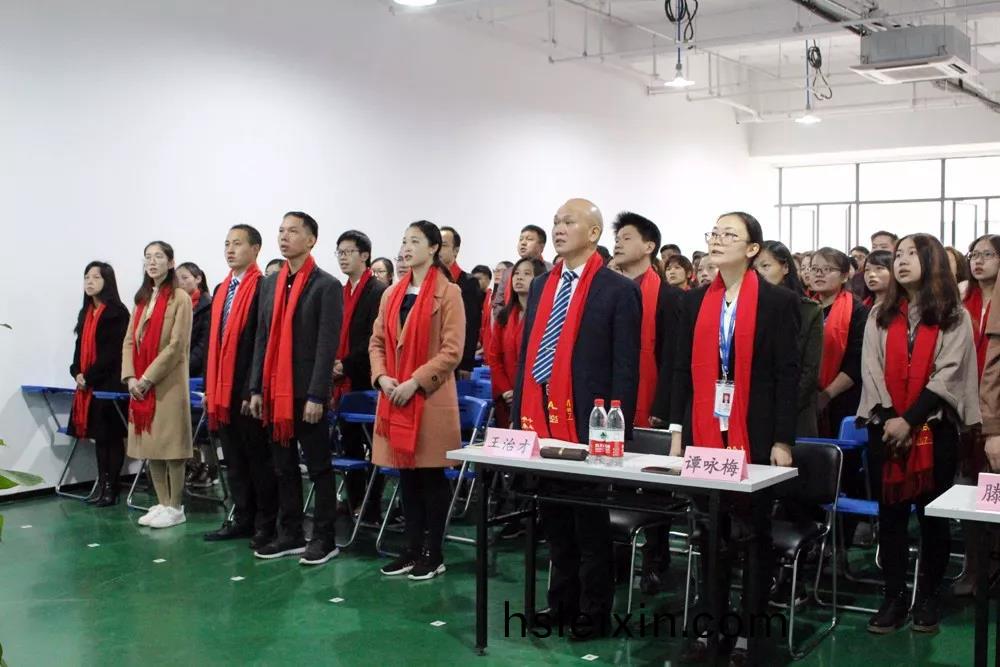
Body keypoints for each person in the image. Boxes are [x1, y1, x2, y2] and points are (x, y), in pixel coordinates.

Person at [670, 213, 799, 664]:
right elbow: (680, 371)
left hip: (756, 431)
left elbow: (787, 375)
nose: (718, 240)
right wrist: (676, 431)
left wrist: (783, 439)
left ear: (751, 249)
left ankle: (749, 635)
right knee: (710, 533)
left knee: (754, 536)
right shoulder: (693, 303)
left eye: (730, 234)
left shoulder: (779, 302)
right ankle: (712, 629)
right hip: (705, 429)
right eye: (715, 233)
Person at [512, 198, 641, 639]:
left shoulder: (617, 289)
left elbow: (626, 367)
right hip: (542, 420)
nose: (559, 228)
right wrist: (518, 417)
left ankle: (593, 610)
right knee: (555, 523)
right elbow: (529, 354)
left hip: (591, 424)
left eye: (569, 222)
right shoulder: (543, 284)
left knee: (589, 527)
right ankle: (560, 604)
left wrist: (616, 430)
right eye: (555, 222)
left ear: (593, 233)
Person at [858, 233, 980, 634]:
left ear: (934, 262)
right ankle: (893, 596)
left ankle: (927, 597)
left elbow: (949, 373)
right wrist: (891, 419)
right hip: (885, 430)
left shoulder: (954, 315)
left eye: (913, 254)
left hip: (934, 429)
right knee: (891, 516)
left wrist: (909, 420)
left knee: (932, 519)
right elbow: (871, 370)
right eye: (899, 255)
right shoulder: (879, 313)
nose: (902, 261)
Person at [370, 220, 465, 580]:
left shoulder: (449, 292)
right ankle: (410, 549)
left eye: (415, 241)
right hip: (395, 395)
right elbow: (377, 342)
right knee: (406, 477)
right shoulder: (391, 294)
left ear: (433, 248)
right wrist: (382, 377)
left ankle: (433, 552)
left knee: (430, 478)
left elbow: (452, 350)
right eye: (404, 241)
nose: (407, 248)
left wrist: (415, 381)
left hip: (429, 397)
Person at [249, 212, 343, 566]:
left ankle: (324, 538)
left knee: (319, 467)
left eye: (292, 231)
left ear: (311, 240)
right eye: (281, 231)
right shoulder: (271, 283)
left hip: (307, 393)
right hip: (276, 390)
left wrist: (318, 394)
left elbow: (326, 345)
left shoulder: (326, 285)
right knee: (283, 467)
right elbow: (262, 338)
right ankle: (290, 534)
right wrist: (256, 388)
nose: (284, 237)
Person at [611, 211, 682, 595]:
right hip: (614, 403)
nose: (618, 243)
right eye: (617, 237)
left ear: (649, 246)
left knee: (656, 488)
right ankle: (619, 559)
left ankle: (657, 561)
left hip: (652, 405)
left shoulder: (669, 297)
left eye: (627, 237)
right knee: (617, 485)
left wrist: (663, 408)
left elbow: (672, 360)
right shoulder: (611, 290)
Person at [202, 225, 279, 548]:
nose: (230, 250)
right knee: (233, 459)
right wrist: (210, 387)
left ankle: (266, 523)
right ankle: (243, 517)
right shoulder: (222, 289)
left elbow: (262, 342)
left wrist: (253, 388)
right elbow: (214, 342)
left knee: (257, 460)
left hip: (248, 388)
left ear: (255, 249)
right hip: (222, 389)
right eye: (227, 244)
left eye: (237, 244)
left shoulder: (263, 286)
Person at [123, 241, 193, 529]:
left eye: (158, 257)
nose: (152, 262)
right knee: (151, 446)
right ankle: (163, 503)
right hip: (141, 384)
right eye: (148, 258)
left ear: (171, 262)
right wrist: (130, 377)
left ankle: (176, 506)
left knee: (172, 447)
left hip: (168, 384)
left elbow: (177, 346)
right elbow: (129, 341)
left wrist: (147, 378)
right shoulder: (142, 299)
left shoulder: (180, 298)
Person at [953, 235, 1000, 595]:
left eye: (988, 255)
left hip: (995, 412)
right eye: (974, 255)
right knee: (971, 493)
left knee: (992, 494)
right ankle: (974, 567)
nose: (978, 261)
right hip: (965, 413)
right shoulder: (962, 299)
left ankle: (989, 568)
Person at [333, 230, 387, 522]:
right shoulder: (341, 292)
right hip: (343, 380)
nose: (342, 257)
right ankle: (354, 499)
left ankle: (372, 504)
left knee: (375, 447)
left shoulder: (377, 291)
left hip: (365, 377)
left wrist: (345, 365)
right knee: (349, 444)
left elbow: (373, 338)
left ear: (364, 255)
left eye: (348, 252)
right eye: (339, 252)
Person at [68, 262, 129, 507]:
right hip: (90, 386)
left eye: (96, 277)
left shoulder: (117, 312)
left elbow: (112, 353)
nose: (90, 282)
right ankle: (102, 485)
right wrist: (76, 372)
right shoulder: (86, 313)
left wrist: (89, 376)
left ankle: (112, 488)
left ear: (107, 281)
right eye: (87, 277)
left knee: (111, 437)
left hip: (110, 385)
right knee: (100, 439)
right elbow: (78, 348)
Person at [756, 241, 823, 437]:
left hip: (795, 412)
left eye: (765, 266)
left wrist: (782, 407)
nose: (759, 273)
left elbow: (809, 371)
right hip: (754, 409)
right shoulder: (745, 308)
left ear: (785, 267)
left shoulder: (809, 310)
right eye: (754, 268)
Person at [810, 247, 868, 437]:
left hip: (842, 398)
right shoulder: (803, 307)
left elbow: (856, 361)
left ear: (844, 276)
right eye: (814, 269)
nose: (819, 274)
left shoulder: (857, 311)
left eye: (827, 269)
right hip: (805, 399)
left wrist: (826, 395)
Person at [487, 257, 547, 428]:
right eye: (516, 273)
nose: (519, 278)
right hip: (506, 396)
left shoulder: (545, 316)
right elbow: (494, 357)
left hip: (534, 394)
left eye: (527, 274)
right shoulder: (504, 316)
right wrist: (506, 390)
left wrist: (521, 392)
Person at [439, 226, 483, 377]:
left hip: (456, 361)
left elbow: (471, 325)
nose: (438, 249)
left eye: (444, 245)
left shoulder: (468, 282)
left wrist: (466, 363)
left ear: (455, 250)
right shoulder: (427, 281)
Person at [177, 262, 212, 378]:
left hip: (195, 372)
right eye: (177, 279)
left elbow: (203, 345)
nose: (180, 282)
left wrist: (183, 368)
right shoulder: (174, 304)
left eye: (185, 278)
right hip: (175, 368)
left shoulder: (208, 306)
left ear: (198, 279)